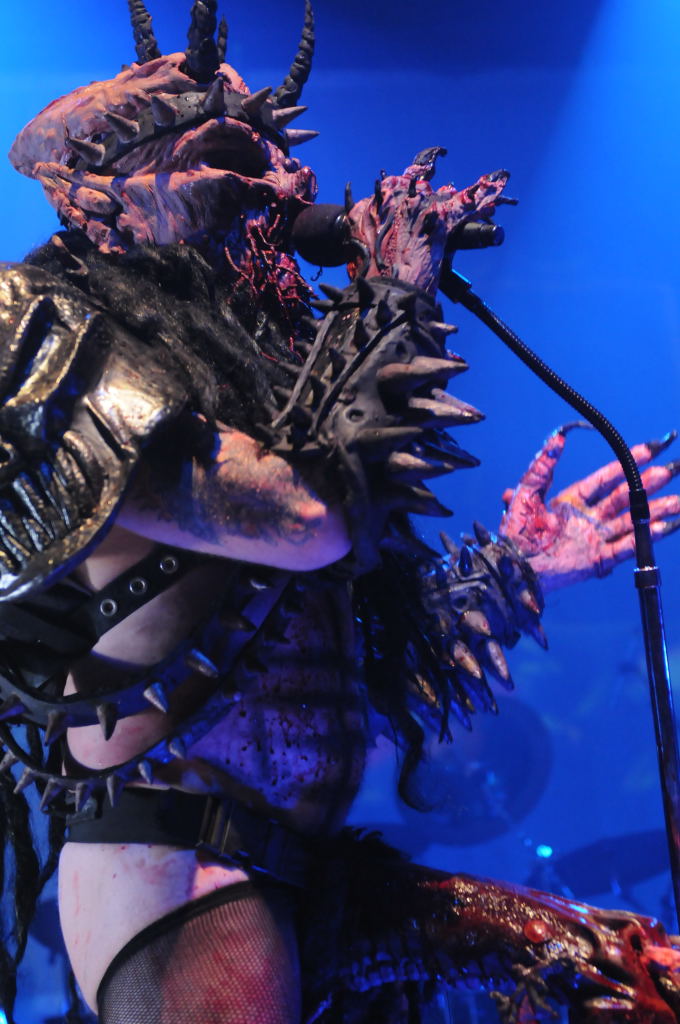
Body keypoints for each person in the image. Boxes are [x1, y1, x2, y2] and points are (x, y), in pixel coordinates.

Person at [0, 2, 679, 1022]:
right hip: (183, 876)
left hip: (308, 868)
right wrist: (392, 296)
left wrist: (515, 572)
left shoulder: (256, 403)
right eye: (238, 160)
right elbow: (311, 516)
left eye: (285, 159)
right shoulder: (51, 339)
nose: (292, 187)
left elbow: (335, 657)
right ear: (111, 194)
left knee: (627, 978)